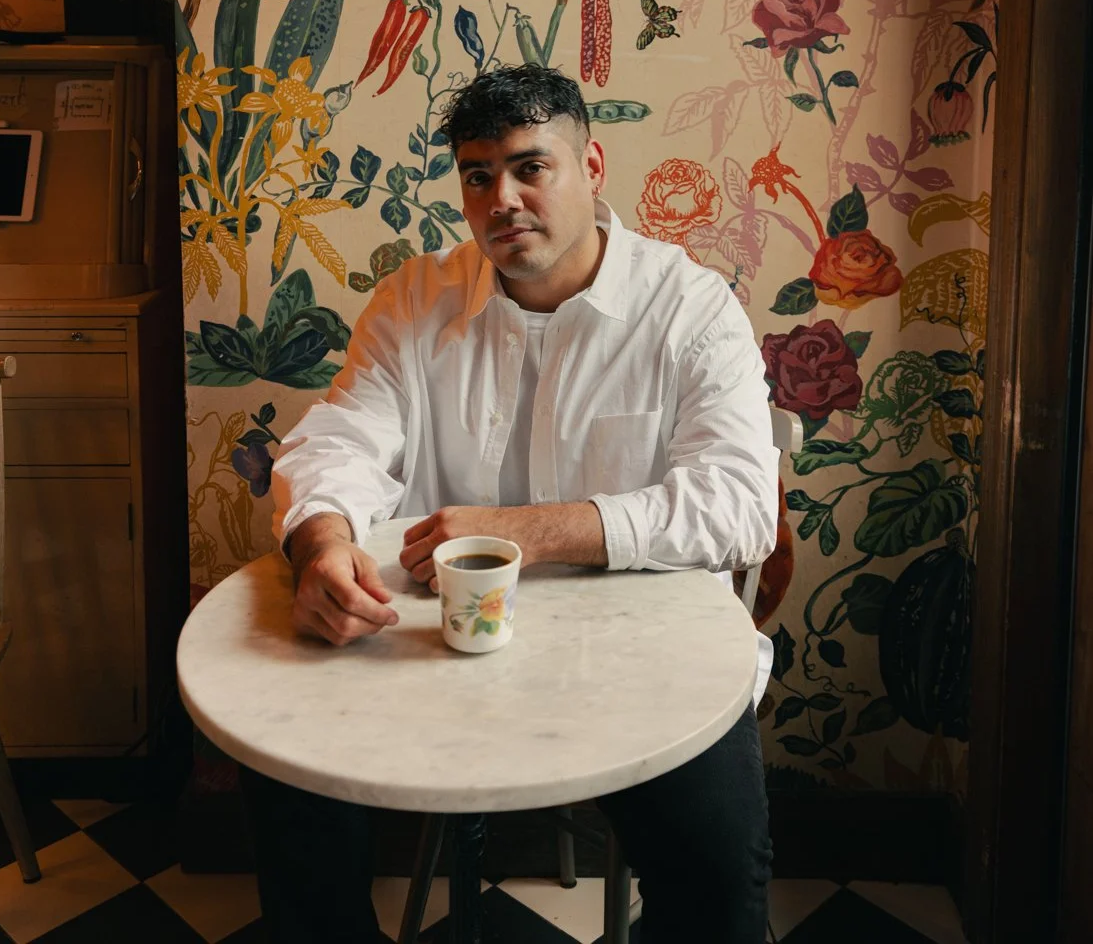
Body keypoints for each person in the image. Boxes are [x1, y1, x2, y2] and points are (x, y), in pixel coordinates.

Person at [244, 64, 777, 943]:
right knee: (284, 777)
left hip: (640, 661)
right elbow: (341, 438)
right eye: (479, 175)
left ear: (592, 164)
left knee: (718, 872)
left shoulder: (689, 307)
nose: (504, 200)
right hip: (430, 654)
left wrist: (527, 530)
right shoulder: (415, 298)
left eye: (533, 167)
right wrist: (323, 543)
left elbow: (739, 505)